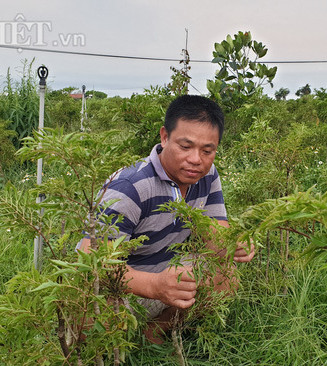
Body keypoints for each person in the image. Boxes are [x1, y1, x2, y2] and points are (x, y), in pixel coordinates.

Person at [78, 95, 254, 343]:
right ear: (164, 136)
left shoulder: (207, 175)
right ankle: (124, 343)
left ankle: (156, 333)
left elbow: (215, 232)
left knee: (226, 276)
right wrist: (154, 286)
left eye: (207, 150)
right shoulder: (130, 186)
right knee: (88, 316)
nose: (196, 159)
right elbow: (92, 261)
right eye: (185, 146)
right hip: (125, 287)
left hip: (167, 274)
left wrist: (232, 243)